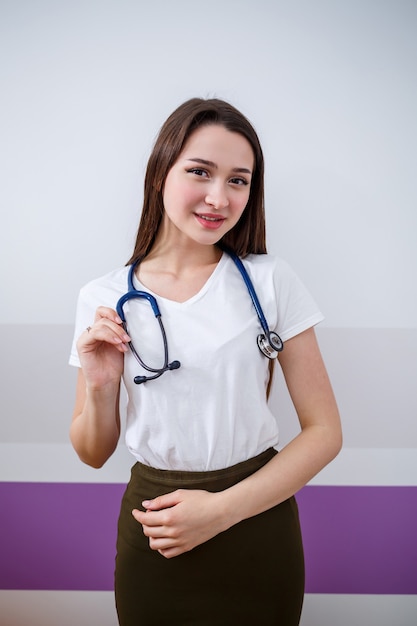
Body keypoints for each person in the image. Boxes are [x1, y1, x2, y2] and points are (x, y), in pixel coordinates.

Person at [69, 97, 342, 626]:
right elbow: (92, 452)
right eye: (200, 172)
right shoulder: (103, 297)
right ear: (159, 174)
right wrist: (102, 387)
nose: (220, 197)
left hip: (257, 520)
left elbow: (325, 431)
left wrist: (219, 512)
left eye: (239, 180)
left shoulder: (269, 281)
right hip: (159, 527)